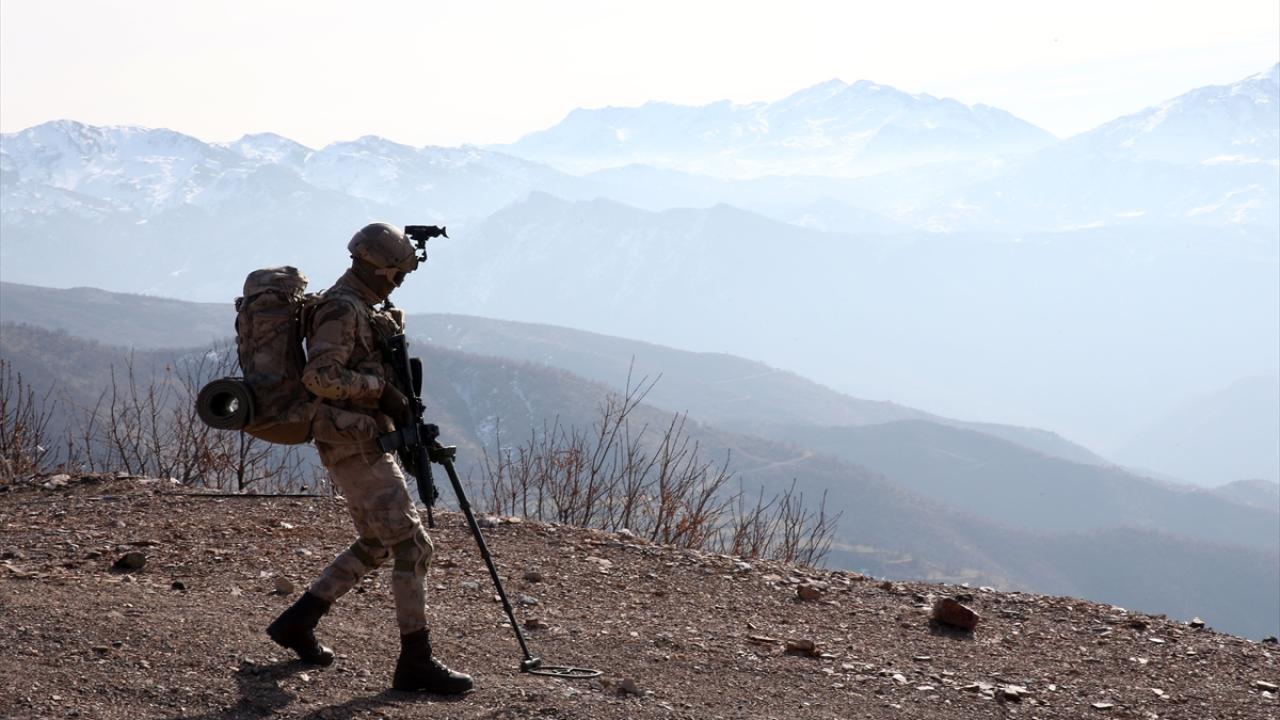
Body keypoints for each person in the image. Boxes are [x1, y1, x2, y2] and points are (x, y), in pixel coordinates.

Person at [264, 222, 473, 694]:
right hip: (352, 443)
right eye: (396, 273)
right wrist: (382, 391)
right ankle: (415, 661)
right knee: (413, 546)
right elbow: (321, 377)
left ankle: (298, 622)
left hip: (364, 439)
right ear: (377, 267)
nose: (398, 282)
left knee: (378, 543)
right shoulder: (341, 309)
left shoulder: (363, 306)